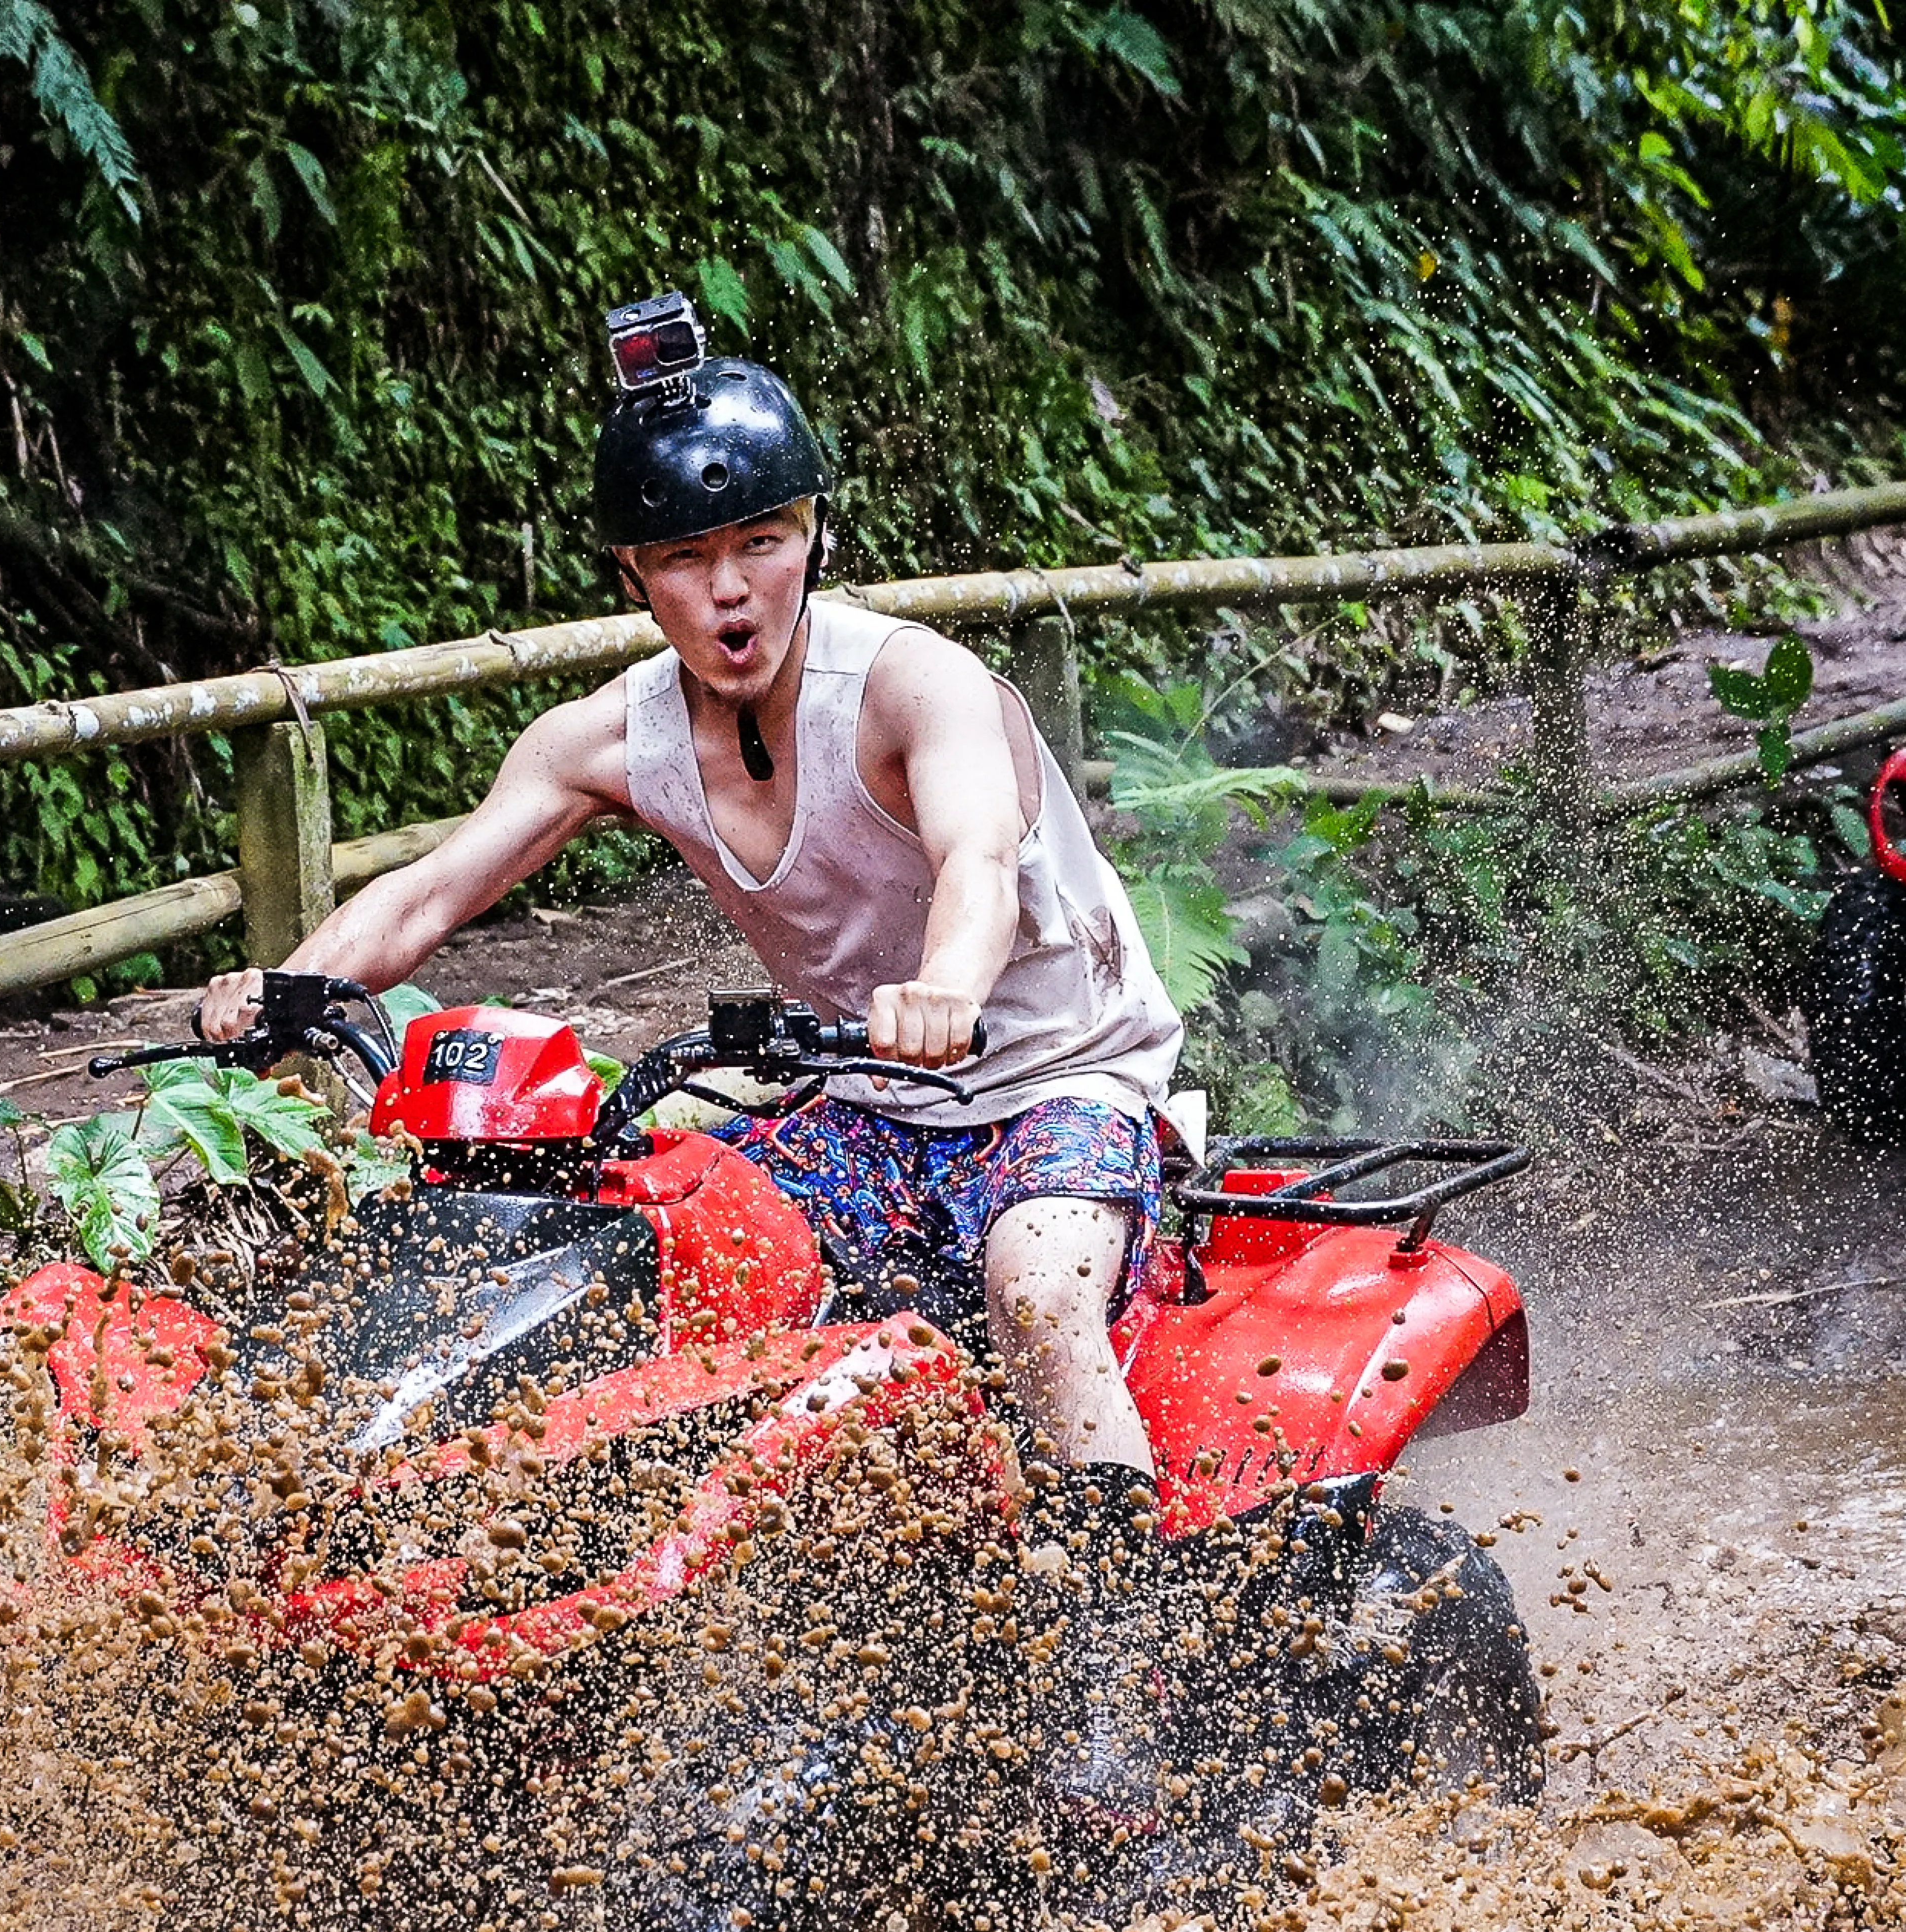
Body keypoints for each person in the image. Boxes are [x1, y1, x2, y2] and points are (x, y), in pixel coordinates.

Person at [198, 296, 1188, 1823]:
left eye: (761, 545)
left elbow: (980, 860)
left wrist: (942, 984)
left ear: (814, 537)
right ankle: (630, 1634)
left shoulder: (914, 687)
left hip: (1057, 1078)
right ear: (633, 575)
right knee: (650, 1248)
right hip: (856, 1094)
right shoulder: (611, 735)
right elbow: (430, 890)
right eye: (682, 560)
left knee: (1035, 1285)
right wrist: (281, 988)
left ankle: (1122, 1685)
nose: (728, 593)